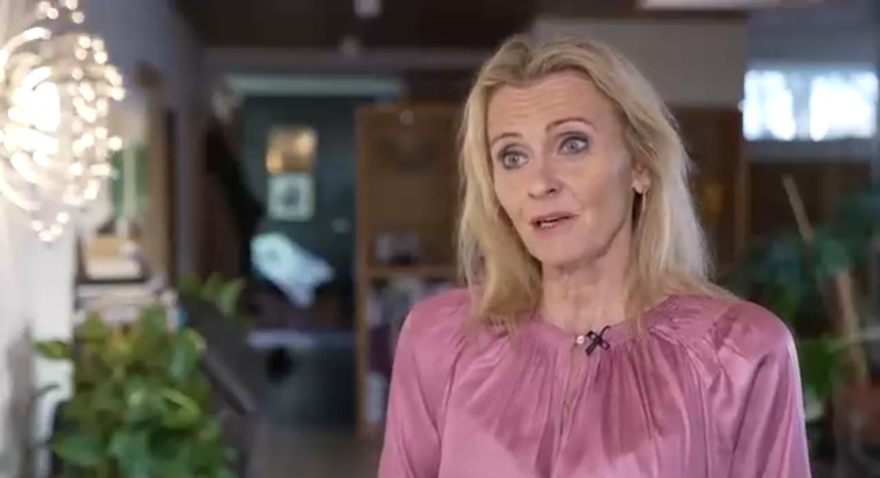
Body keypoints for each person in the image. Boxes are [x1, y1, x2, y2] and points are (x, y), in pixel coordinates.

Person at [378, 35, 810, 478]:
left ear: (641, 165)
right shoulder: (439, 340)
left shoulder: (741, 354)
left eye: (572, 144)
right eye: (512, 156)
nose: (539, 183)